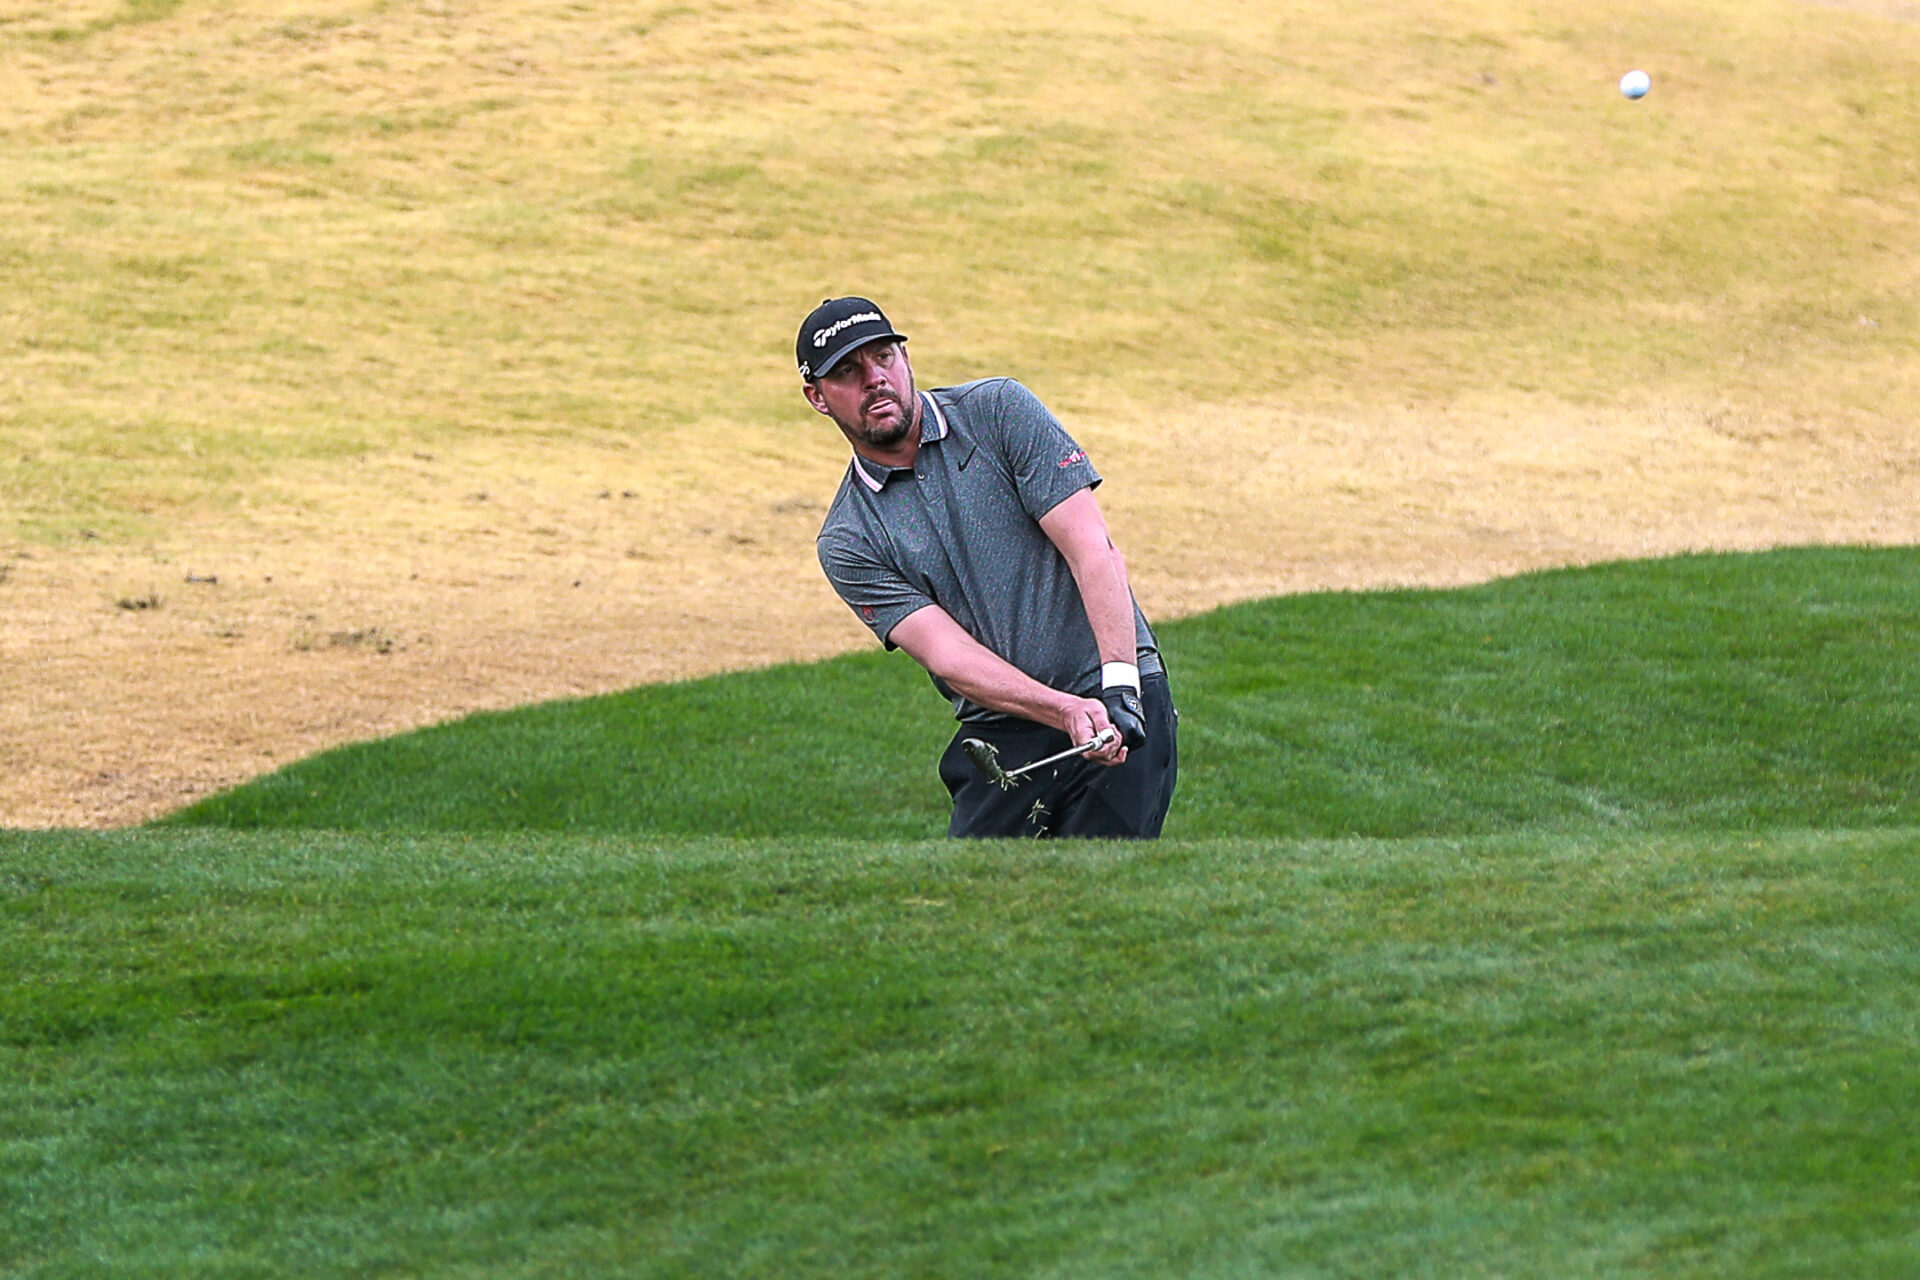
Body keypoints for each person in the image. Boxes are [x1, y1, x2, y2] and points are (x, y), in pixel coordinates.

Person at [799, 296, 1177, 838]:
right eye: (848, 373)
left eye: (884, 357)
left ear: (906, 358)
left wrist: (1119, 684)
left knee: (1101, 899)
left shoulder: (999, 411)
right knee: (978, 906)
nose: (874, 379)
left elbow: (1092, 548)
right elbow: (948, 656)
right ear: (818, 396)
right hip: (1005, 728)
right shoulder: (848, 539)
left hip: (1115, 693)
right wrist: (1060, 709)